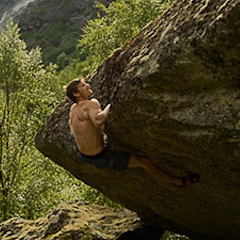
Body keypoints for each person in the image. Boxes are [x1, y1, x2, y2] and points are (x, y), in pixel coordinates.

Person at [65, 77, 198, 186]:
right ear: (76, 94)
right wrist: (110, 106)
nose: (88, 85)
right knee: (144, 162)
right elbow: (99, 121)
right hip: (100, 156)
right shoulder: (91, 104)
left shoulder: (73, 109)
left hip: (83, 155)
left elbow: (73, 130)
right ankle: (178, 181)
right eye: (83, 85)